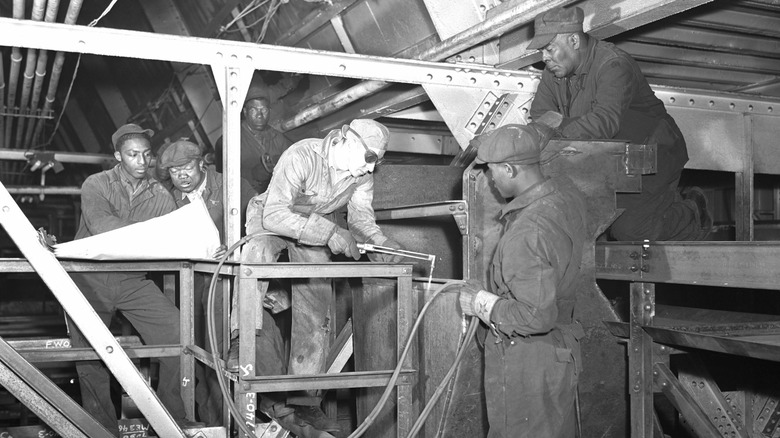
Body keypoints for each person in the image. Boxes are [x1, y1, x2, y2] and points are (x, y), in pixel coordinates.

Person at [227, 119, 404, 433]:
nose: (369, 169)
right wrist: (331, 232)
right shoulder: (302, 155)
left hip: (313, 230)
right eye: (369, 158)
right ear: (345, 139)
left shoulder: (360, 174)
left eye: (376, 161)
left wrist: (382, 244)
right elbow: (275, 213)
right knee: (256, 254)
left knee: (317, 298)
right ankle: (242, 342)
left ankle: (305, 401)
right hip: (272, 219)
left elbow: (362, 220)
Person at [528, 6, 711, 241]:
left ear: (573, 40)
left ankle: (693, 212)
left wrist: (557, 125)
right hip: (610, 157)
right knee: (587, 222)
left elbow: (603, 123)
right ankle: (662, 205)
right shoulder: (553, 73)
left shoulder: (613, 64)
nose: (544, 57)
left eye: (549, 48)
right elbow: (541, 117)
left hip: (653, 152)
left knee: (630, 231)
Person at [67, 124, 200, 435]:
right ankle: (102, 429)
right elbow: (101, 226)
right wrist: (147, 234)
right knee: (89, 356)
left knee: (177, 334)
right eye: (132, 155)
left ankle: (171, 419)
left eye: (146, 154)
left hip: (132, 279)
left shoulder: (161, 195)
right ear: (118, 156)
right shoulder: (96, 184)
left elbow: (173, 237)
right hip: (88, 279)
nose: (142, 161)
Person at [457, 122, 587, 437]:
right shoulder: (565, 199)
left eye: (492, 171)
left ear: (511, 169)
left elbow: (534, 315)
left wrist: (479, 302)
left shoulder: (529, 229)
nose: (489, 179)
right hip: (558, 355)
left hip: (526, 362)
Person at [158, 139, 256, 426]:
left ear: (202, 162)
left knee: (221, 354)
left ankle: (231, 422)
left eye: (187, 167)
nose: (182, 176)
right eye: (175, 172)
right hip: (188, 283)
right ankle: (206, 422)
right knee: (195, 354)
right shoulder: (167, 197)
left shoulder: (232, 184)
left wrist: (234, 245)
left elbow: (261, 214)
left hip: (230, 284)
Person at [216, 89, 293, 194]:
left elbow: (293, 158)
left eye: (264, 110)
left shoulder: (276, 136)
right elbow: (223, 181)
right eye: (253, 110)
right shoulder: (227, 142)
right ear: (245, 111)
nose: (260, 115)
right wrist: (252, 174)